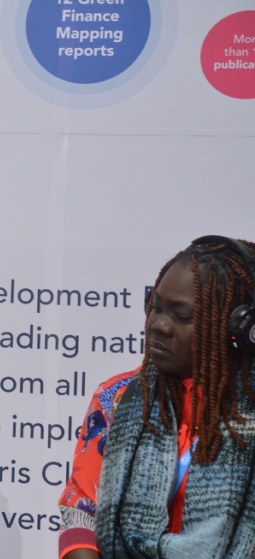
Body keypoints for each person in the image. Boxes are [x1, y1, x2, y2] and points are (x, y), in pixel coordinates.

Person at [58, 236, 255, 559]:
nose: (158, 326)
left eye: (182, 316)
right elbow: (81, 512)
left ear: (238, 328)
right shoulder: (116, 397)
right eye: (156, 307)